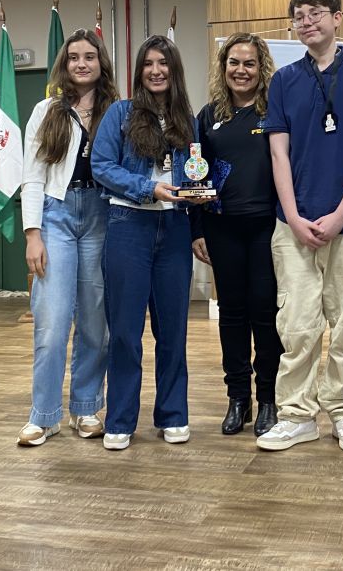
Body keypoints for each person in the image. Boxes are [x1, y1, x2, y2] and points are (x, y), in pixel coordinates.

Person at [256, 0, 343, 453]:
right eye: (298, 16)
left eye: (316, 13)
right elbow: (278, 153)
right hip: (293, 225)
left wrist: (339, 215)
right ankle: (296, 415)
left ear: (337, 18)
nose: (307, 22)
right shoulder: (284, 80)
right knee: (296, 324)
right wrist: (293, 216)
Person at [91, 35, 209, 451]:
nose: (156, 71)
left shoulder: (187, 119)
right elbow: (101, 165)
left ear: (174, 70)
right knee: (125, 330)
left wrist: (197, 209)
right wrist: (147, 188)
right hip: (129, 226)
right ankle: (121, 419)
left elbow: (195, 174)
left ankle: (173, 414)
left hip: (175, 229)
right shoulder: (120, 113)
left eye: (163, 63)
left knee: (173, 329)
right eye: (148, 64)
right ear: (139, 70)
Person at [17, 29, 118, 447]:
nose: (81, 64)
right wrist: (33, 234)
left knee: (95, 324)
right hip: (56, 216)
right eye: (74, 57)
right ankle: (43, 416)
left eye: (89, 56)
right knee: (52, 323)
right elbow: (32, 175)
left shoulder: (117, 110)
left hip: (101, 216)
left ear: (101, 63)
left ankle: (86, 408)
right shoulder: (47, 110)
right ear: (65, 63)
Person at [190, 33, 282, 436]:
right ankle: (238, 398)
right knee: (231, 314)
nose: (241, 71)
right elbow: (194, 175)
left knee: (265, 313)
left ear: (261, 69)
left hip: (266, 226)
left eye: (249, 63)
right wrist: (196, 229)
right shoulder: (208, 116)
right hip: (221, 226)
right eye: (234, 63)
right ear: (223, 67)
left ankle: (268, 399)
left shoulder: (275, 112)